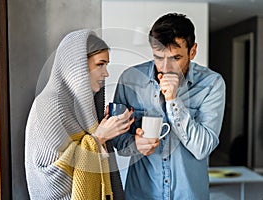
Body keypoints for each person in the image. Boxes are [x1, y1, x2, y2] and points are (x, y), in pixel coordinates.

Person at [112, 13, 226, 199]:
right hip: (141, 194)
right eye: (158, 57)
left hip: (188, 194)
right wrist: (135, 145)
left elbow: (203, 148)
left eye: (175, 58)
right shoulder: (130, 80)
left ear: (193, 51)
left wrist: (173, 101)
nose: (165, 68)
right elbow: (117, 140)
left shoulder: (211, 84)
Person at [24, 29, 134, 200]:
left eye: (106, 65)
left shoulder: (84, 109)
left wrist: (109, 130)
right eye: (100, 64)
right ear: (77, 66)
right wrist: (98, 138)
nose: (106, 73)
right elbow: (48, 179)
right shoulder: (48, 105)